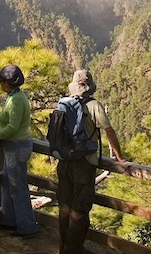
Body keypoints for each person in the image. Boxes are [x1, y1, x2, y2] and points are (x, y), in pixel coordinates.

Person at [56, 69, 124, 254]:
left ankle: (63, 247)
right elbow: (109, 131)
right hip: (84, 163)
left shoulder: (64, 103)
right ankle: (73, 250)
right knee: (79, 208)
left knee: (65, 206)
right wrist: (119, 156)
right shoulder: (94, 105)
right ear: (89, 87)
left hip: (64, 161)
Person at [0, 64, 38, 237]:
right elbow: (10, 122)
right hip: (14, 147)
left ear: (7, 83)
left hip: (16, 147)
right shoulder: (15, 96)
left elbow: (12, 128)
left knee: (18, 189)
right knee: (8, 185)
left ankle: (27, 228)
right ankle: (10, 222)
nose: (0, 84)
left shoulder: (17, 99)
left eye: (1, 81)